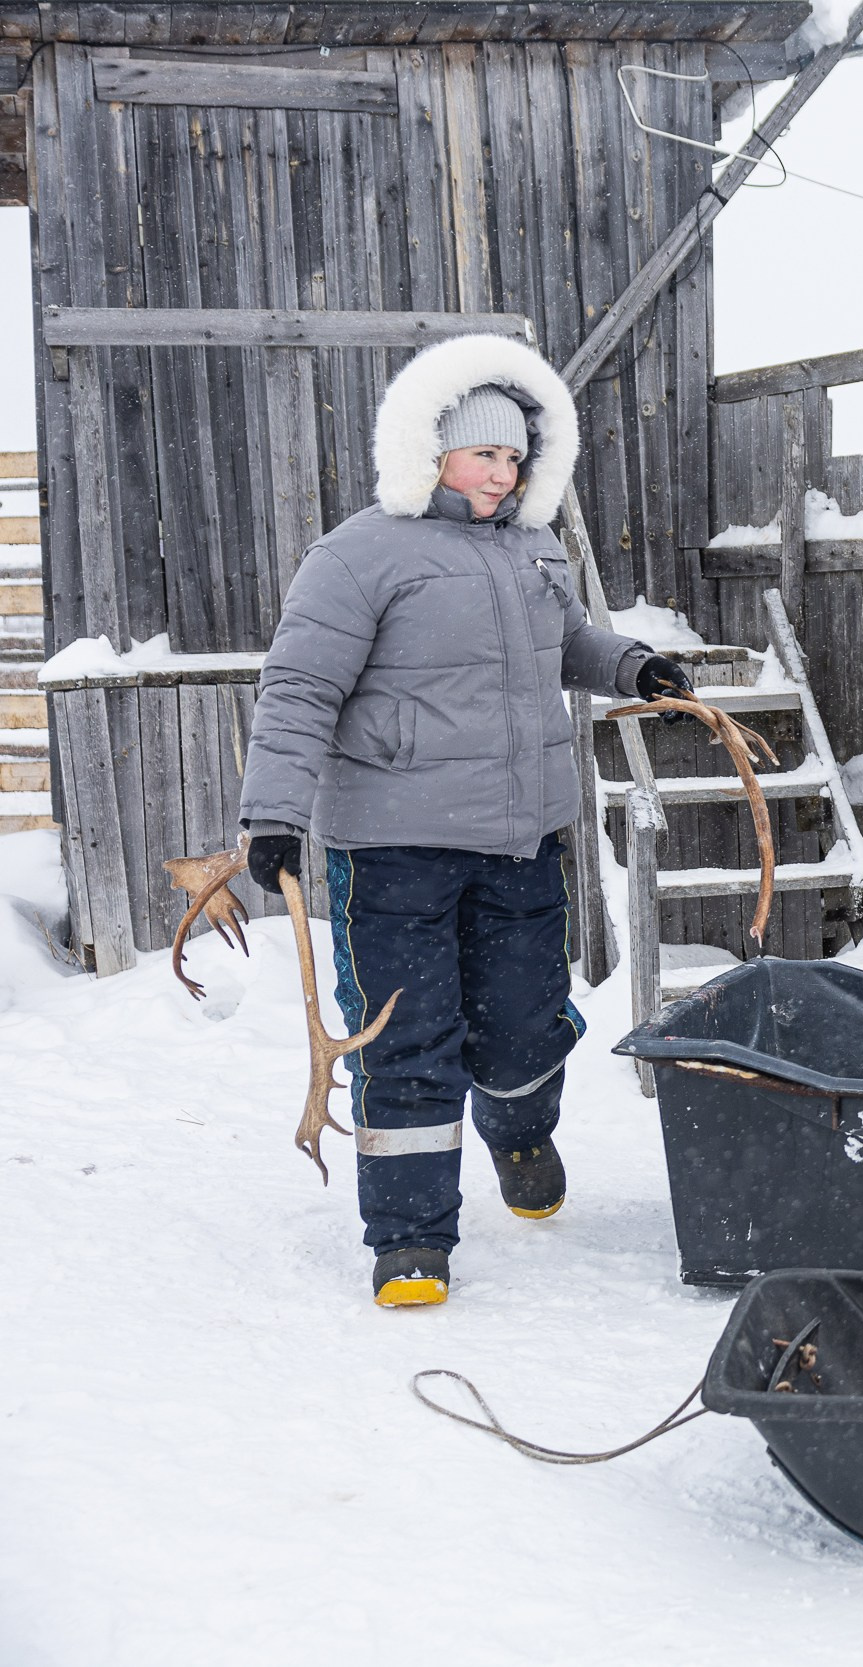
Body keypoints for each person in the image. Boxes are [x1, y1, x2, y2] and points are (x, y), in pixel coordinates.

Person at [238, 334, 693, 1309]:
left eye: (515, 458)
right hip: (393, 847)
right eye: (484, 453)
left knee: (525, 1025)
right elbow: (299, 688)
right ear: (430, 450)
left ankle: (520, 1133)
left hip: (521, 841)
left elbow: (566, 641)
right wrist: (272, 814)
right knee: (408, 1034)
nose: (502, 474)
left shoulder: (534, 547)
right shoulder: (359, 554)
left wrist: (630, 665)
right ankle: (410, 1237)